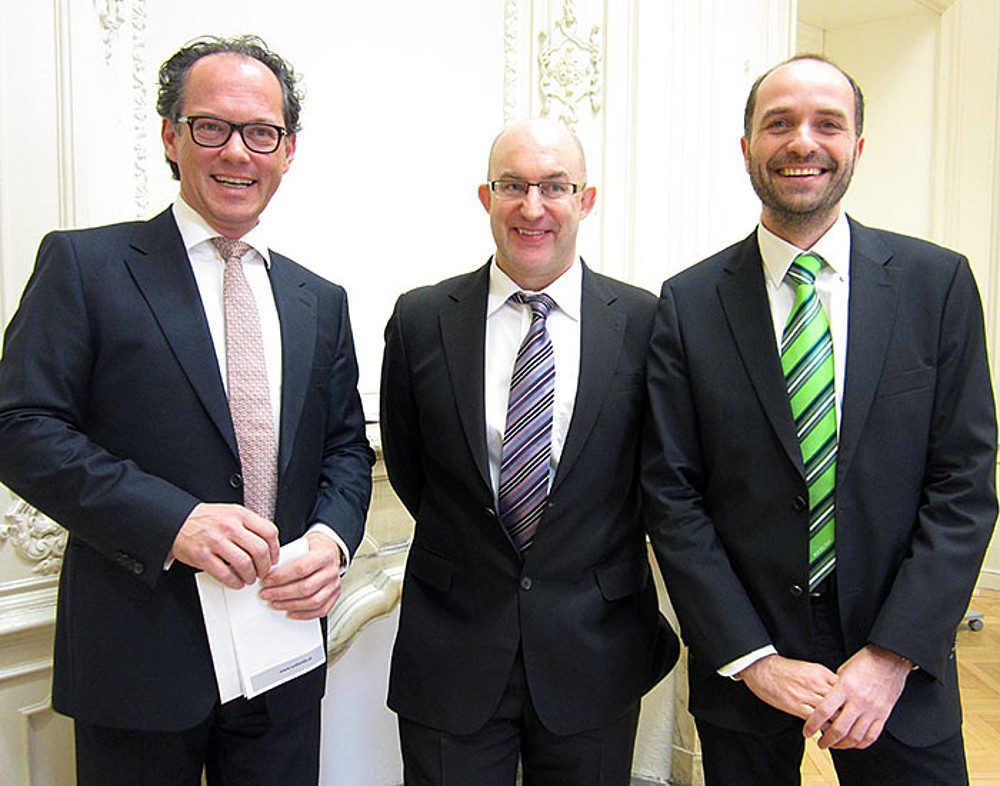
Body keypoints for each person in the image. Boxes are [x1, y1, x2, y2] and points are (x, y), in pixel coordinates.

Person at [0, 35, 373, 785]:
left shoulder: (319, 299)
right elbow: (19, 428)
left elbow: (344, 447)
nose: (237, 151)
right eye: (212, 127)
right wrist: (175, 522)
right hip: (139, 656)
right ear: (172, 137)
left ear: (288, 151)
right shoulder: (85, 266)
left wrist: (331, 542)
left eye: (261, 132)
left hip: (281, 655)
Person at [642, 54, 997, 785]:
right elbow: (672, 494)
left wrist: (892, 654)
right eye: (779, 123)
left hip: (900, 656)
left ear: (857, 146)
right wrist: (752, 659)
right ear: (747, 148)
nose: (802, 141)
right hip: (750, 660)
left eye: (827, 124)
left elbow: (964, 483)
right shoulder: (688, 303)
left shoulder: (937, 285)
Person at [379, 118, 678, 786]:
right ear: (486, 198)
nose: (532, 207)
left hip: (594, 650)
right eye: (512, 185)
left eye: (554, 187)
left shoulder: (645, 323)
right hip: (453, 649)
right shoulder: (421, 320)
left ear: (585, 200)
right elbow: (409, 466)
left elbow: (657, 476)